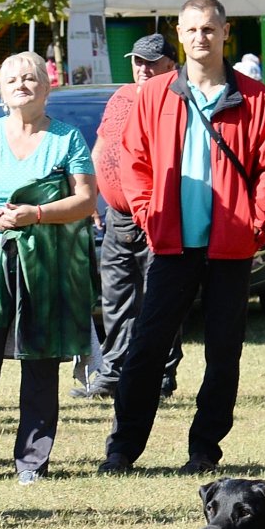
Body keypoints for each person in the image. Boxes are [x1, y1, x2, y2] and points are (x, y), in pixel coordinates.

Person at [100, 0, 265, 474]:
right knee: (147, 348)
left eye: (209, 29)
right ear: (179, 35)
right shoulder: (155, 95)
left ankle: (204, 450)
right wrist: (148, 214)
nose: (201, 37)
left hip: (231, 247)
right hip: (171, 243)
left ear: (226, 33)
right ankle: (123, 449)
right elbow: (133, 161)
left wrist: (253, 225)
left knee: (223, 354)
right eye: (192, 29)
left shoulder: (256, 98)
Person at [0, 51, 96, 483]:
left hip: (44, 267)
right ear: (1, 91)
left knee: (41, 363)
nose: (22, 85)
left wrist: (38, 214)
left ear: (47, 88)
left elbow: (86, 200)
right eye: (12, 80)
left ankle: (32, 463)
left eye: (31, 78)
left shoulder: (67, 139)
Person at [89, 34, 181, 400]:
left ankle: (161, 376)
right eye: (137, 61)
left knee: (161, 299)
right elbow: (102, 145)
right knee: (116, 298)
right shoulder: (122, 96)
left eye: (151, 62)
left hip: (160, 214)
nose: (142, 68)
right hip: (117, 215)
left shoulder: (176, 98)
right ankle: (113, 372)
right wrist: (94, 194)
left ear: (171, 65)